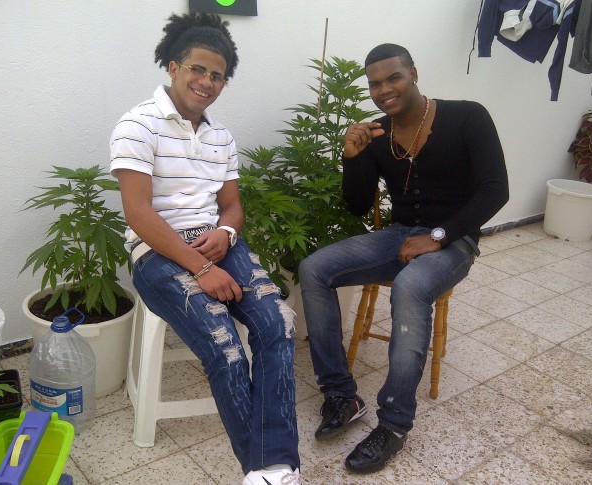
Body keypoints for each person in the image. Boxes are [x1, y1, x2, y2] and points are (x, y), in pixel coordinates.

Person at [299, 43, 509, 474]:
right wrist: (351, 158)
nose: (384, 90)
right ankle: (341, 395)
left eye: (393, 77)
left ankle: (393, 425)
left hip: (454, 242)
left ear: (413, 73)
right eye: (374, 83)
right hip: (398, 236)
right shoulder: (378, 134)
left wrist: (439, 236)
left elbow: (496, 189)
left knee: (411, 286)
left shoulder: (468, 116)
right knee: (313, 268)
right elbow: (358, 205)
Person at [109, 12, 301, 485]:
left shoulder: (221, 137)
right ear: (173, 66)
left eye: (218, 75)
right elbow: (139, 214)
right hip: (158, 252)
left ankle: (273, 468)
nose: (207, 81)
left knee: (277, 323)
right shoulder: (137, 125)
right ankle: (267, 469)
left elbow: (232, 206)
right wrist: (200, 267)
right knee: (225, 345)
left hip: (216, 242)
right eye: (198, 69)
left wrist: (227, 234)